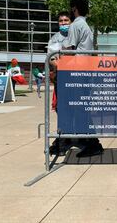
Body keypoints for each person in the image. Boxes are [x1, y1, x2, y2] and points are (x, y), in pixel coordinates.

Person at [63, 0, 104, 158]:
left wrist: (57, 50)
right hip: (84, 70)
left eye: (71, 9)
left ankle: (92, 144)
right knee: (81, 108)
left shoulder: (76, 26)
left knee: (80, 109)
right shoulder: (86, 26)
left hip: (77, 71)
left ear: (74, 9)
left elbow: (68, 49)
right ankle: (90, 142)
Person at [47, 12, 71, 156]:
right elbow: (51, 58)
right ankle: (62, 142)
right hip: (61, 79)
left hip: (76, 79)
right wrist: (59, 64)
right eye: (61, 21)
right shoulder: (55, 38)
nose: (63, 23)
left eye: (66, 20)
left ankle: (87, 140)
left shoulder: (76, 36)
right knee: (61, 110)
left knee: (78, 109)